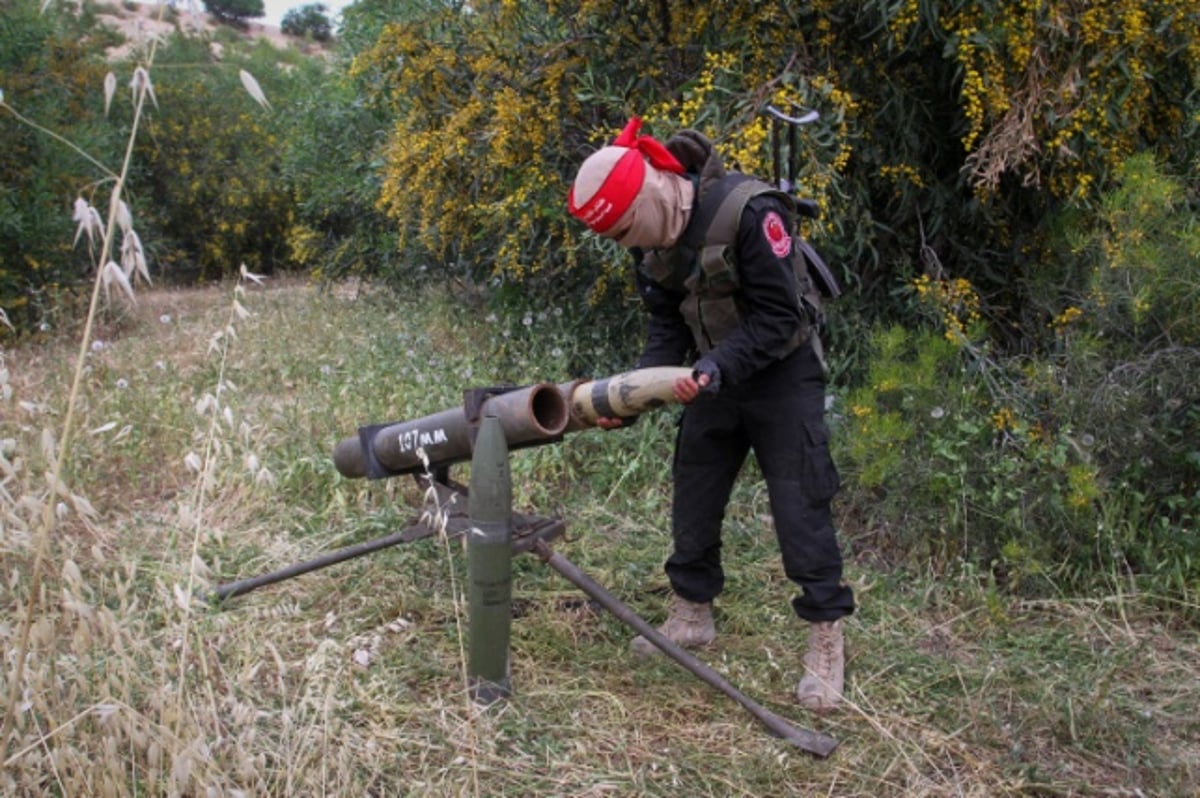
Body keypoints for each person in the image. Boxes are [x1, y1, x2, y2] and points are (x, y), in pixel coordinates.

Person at [567, 117, 855, 712]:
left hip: (781, 374)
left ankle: (826, 638)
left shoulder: (749, 213)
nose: (629, 246)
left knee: (800, 505)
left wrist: (715, 367)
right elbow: (667, 322)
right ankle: (691, 614)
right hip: (711, 376)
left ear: (649, 196)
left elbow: (782, 317)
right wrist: (637, 393)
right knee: (694, 491)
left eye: (627, 230)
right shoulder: (649, 245)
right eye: (618, 239)